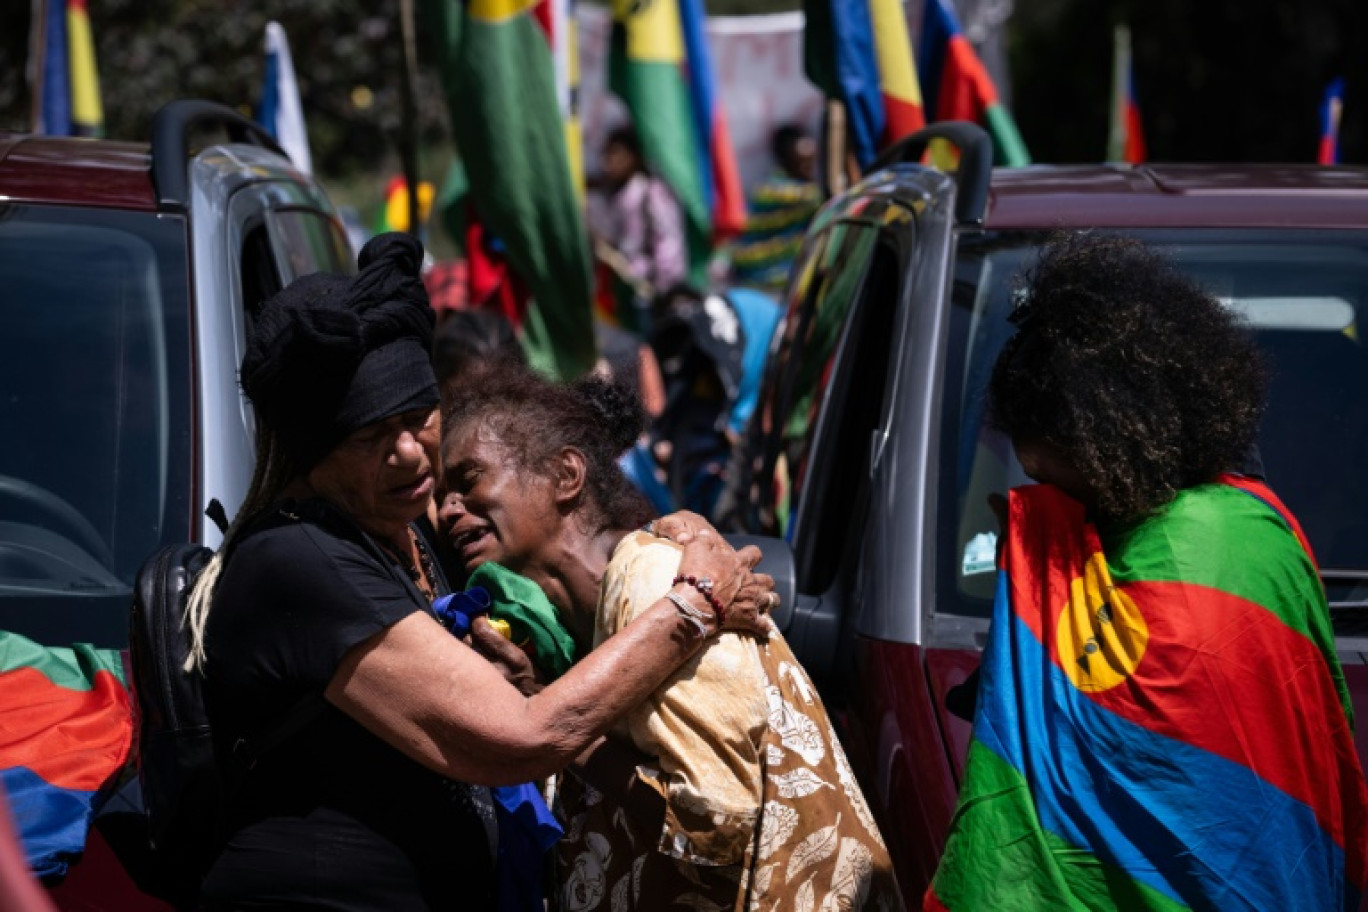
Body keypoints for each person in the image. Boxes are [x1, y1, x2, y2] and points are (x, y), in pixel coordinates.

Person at [186, 233, 776, 911]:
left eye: (419, 419)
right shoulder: (298, 561)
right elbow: (523, 738)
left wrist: (691, 533)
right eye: (370, 438)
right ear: (311, 454)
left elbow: (586, 536)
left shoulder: (408, 530)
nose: (410, 456)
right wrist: (695, 602)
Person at [926, 233, 1368, 910]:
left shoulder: (1237, 541)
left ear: (1113, 451)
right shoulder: (1261, 527)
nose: (1038, 499)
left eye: (1058, 483)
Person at [438, 360, 903, 911]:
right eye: (440, 495)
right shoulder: (575, 631)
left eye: (468, 481)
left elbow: (713, 823)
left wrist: (552, 723)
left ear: (566, 476)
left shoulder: (656, 582)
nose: (446, 511)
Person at [590, 124, 687, 335]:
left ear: (634, 156)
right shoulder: (613, 195)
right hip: (622, 293)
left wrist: (659, 289)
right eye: (606, 154)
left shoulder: (650, 192)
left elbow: (667, 241)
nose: (609, 162)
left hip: (650, 295)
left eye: (616, 153)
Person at [728, 123, 822, 294]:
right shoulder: (771, 192)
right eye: (802, 160)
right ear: (786, 158)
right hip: (762, 286)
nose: (809, 165)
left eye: (812, 159)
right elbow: (814, 198)